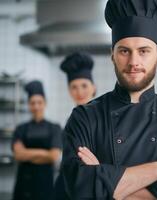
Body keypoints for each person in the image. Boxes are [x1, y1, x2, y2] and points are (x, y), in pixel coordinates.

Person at [62, 0, 157, 199]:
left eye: (143, 51)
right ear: (112, 55)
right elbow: (78, 187)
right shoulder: (85, 117)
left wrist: (105, 182)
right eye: (124, 51)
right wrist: (156, 170)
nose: (134, 62)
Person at [54, 52, 96, 200]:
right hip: (64, 188)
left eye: (84, 85)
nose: (79, 92)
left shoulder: (103, 118)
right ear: (69, 90)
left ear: (93, 87)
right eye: (74, 87)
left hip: (91, 188)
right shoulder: (70, 120)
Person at [12, 80, 62, 200]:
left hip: (45, 185)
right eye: (32, 103)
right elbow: (18, 155)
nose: (36, 106)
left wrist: (27, 153)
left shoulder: (54, 128)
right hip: (23, 186)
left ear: (45, 103)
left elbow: (54, 156)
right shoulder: (20, 128)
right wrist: (44, 153)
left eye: (39, 102)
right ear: (29, 105)